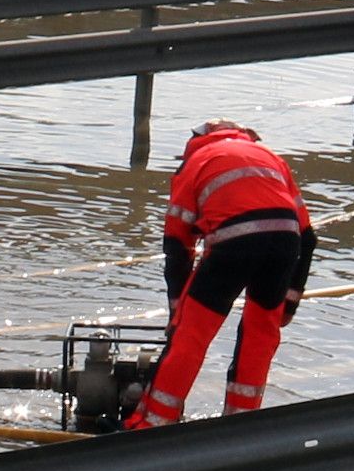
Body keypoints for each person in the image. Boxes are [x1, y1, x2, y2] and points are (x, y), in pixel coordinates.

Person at [126, 119, 316, 429]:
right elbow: (308, 239)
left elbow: (177, 246)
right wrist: (290, 301)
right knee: (260, 335)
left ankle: (151, 426)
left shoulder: (194, 164)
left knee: (191, 336)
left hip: (233, 242)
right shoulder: (271, 158)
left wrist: (177, 313)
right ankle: (241, 427)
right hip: (285, 240)